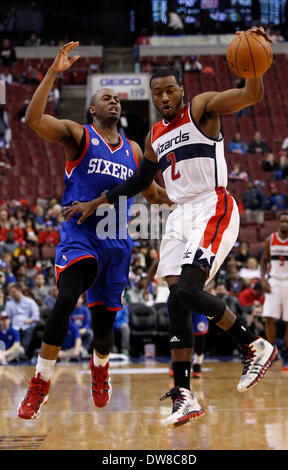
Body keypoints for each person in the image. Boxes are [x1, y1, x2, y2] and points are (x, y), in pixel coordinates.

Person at [65, 27, 278, 427]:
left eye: (169, 90)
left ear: (180, 89)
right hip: (179, 215)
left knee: (189, 291)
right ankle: (185, 396)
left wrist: (257, 65)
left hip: (211, 204)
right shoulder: (152, 136)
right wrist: (100, 200)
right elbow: (139, 181)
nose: (163, 98)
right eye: (156, 93)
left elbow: (251, 95)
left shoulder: (200, 109)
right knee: (175, 301)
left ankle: (255, 344)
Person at [17, 41, 173, 421]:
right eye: (106, 97)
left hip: (118, 243)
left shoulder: (136, 150)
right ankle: (40, 383)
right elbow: (33, 120)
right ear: (92, 108)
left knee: (104, 331)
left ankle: (100, 368)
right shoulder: (79, 135)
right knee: (67, 296)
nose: (114, 101)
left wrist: (191, 199)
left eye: (117, 98)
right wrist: (53, 72)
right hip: (81, 232)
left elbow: (153, 194)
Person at [260, 212, 288, 371]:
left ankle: (287, 355)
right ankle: (272, 352)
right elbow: (264, 262)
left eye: (287, 221)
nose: (284, 223)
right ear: (278, 222)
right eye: (282, 221)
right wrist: (263, 280)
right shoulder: (270, 240)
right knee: (269, 317)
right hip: (274, 281)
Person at [5, 283, 40, 359]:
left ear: (20, 291)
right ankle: (15, 353)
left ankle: (23, 351)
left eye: (13, 292)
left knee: (29, 331)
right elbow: (8, 317)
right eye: (11, 292)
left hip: (27, 326)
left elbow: (36, 316)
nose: (12, 294)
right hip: (14, 327)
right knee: (9, 330)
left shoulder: (30, 301)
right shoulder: (9, 303)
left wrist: (30, 320)